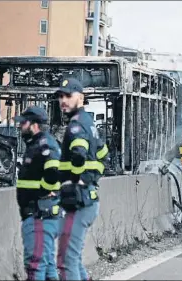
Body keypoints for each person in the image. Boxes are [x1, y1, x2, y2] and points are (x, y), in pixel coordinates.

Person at [55, 78, 109, 281]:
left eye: (68, 96)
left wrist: (75, 180)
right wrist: (94, 177)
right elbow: (104, 153)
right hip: (85, 198)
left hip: (78, 200)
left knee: (67, 261)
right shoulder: (88, 123)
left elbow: (78, 154)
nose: (63, 100)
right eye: (61, 96)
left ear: (81, 97)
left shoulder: (77, 125)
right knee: (72, 259)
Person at [15, 106, 61, 281]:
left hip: (39, 213)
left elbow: (54, 170)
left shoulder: (44, 145)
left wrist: (43, 190)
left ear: (34, 125)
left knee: (35, 264)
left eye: (23, 123)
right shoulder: (36, 144)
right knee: (47, 264)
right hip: (38, 212)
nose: (20, 127)